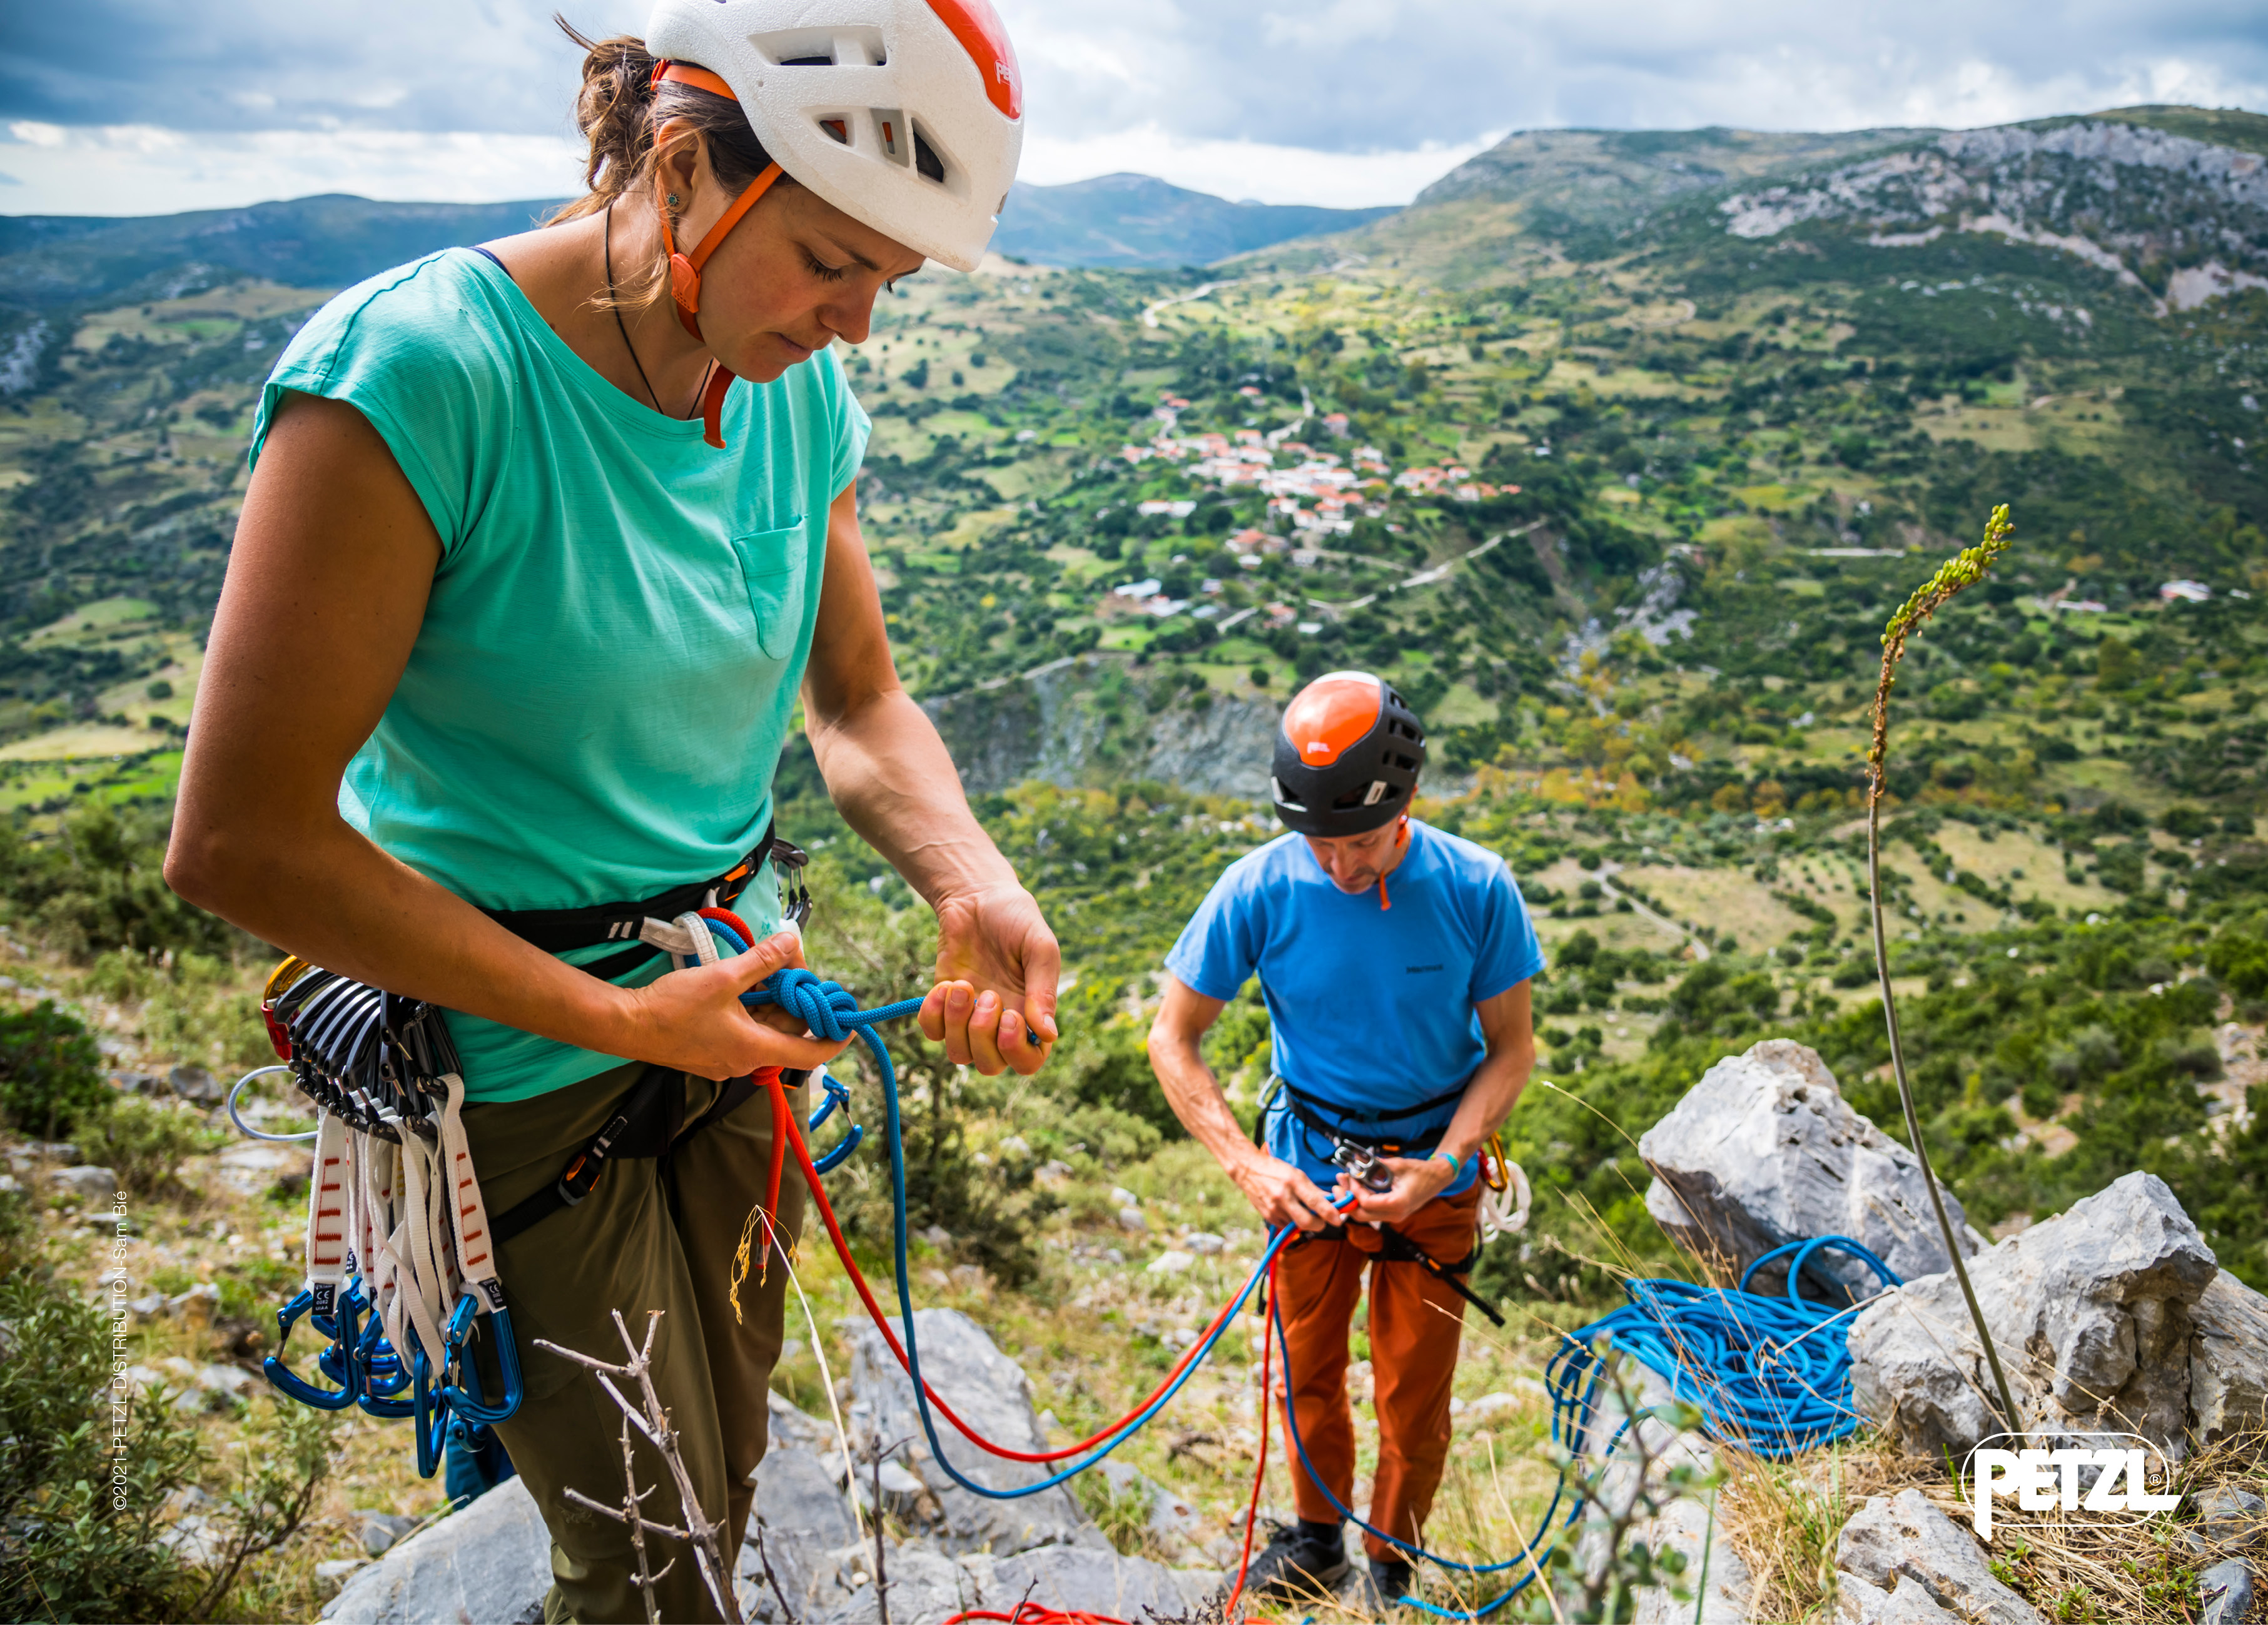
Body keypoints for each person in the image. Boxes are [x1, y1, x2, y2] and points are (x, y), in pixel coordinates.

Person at [165, 3, 1051, 1619]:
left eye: (889, 283)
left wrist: (963, 872)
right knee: (642, 1564)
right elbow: (239, 834)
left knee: (709, 1476)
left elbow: (854, 700)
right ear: (679, 163)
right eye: (830, 259)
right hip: (517, 1059)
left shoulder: (781, 387)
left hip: (725, 1015)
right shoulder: (426, 375)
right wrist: (618, 1020)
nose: (853, 323)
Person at [1147, 671, 1542, 1606]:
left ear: (1405, 806)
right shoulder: (1260, 885)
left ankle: (1388, 1568)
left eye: (1360, 841)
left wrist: (1444, 1165)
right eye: (1318, 842)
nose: (1338, 866)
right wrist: (1245, 1164)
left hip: (1430, 1170)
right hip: (1305, 1162)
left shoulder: (1474, 887)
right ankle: (1317, 1539)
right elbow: (1172, 1036)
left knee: (1413, 1394)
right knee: (1308, 1368)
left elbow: (1512, 1050)